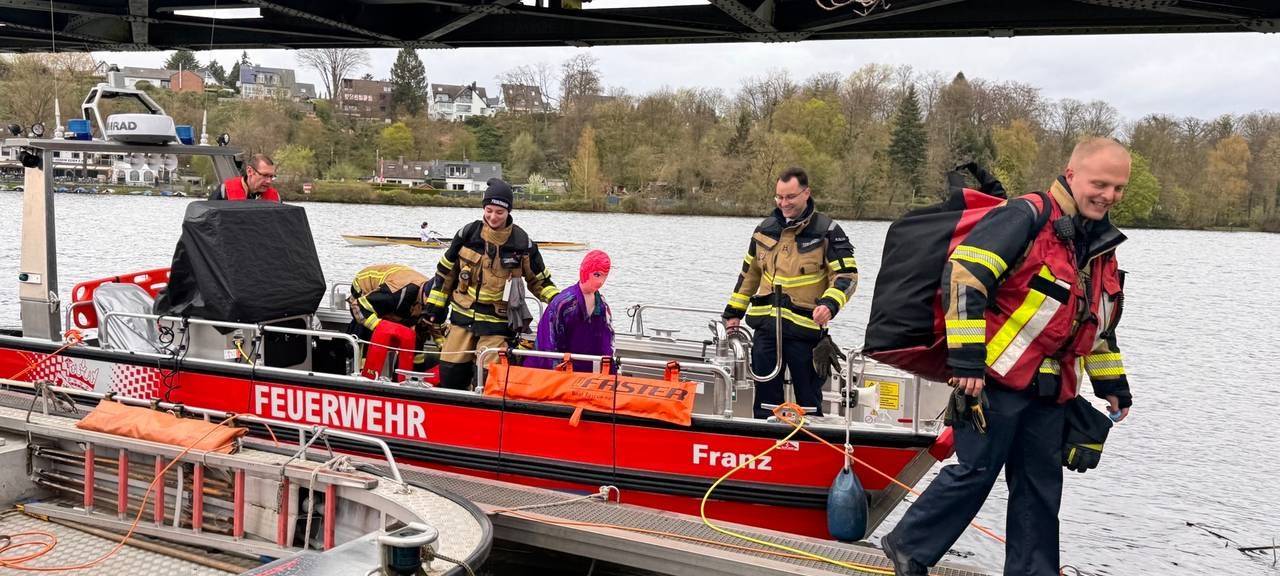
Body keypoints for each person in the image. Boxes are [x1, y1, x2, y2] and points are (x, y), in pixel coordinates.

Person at [881, 138, 1135, 576]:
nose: (1109, 195)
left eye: (1118, 188)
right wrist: (966, 363)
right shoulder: (1024, 216)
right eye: (1100, 184)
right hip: (993, 380)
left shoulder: (1099, 244)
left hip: (1051, 389)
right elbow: (964, 278)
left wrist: (1112, 385)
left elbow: (1094, 322)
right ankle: (908, 546)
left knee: (1040, 488)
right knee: (975, 471)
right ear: (1072, 175)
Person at [721, 167, 859, 419]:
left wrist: (830, 305)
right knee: (765, 404)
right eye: (779, 197)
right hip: (766, 332)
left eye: (790, 197)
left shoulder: (828, 231)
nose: (784, 203)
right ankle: (765, 439)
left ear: (806, 193)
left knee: (809, 403)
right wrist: (733, 314)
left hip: (806, 334)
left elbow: (847, 277)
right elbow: (748, 276)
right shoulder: (764, 229)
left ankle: (809, 440)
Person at [424, 178, 559, 390]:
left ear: (509, 212)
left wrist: (560, 302)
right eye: (489, 210)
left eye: (499, 212)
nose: (493, 217)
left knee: (488, 379)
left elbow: (540, 281)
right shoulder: (467, 234)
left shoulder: (522, 243)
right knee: (450, 373)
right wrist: (435, 308)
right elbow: (446, 272)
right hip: (461, 319)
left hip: (497, 325)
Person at [525, 250, 614, 372]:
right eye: (597, 275)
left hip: (588, 371)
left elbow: (607, 341)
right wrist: (556, 373)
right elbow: (548, 341)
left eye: (605, 276)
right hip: (558, 371)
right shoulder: (564, 303)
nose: (601, 281)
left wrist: (609, 371)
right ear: (585, 271)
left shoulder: (602, 305)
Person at [348, 263, 432, 381]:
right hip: (364, 287)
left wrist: (444, 347)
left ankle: (411, 377)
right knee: (369, 328)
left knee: (417, 333)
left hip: (401, 295)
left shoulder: (435, 297)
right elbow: (358, 306)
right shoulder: (398, 293)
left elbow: (437, 327)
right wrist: (383, 327)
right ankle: (364, 373)